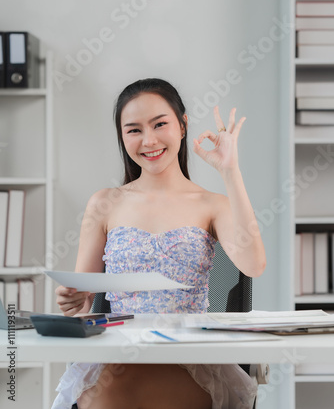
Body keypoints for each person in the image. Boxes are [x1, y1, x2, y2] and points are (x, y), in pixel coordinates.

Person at [52, 78, 266, 409]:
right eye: (133, 130)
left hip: (187, 357)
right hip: (118, 355)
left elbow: (254, 265)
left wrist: (230, 171)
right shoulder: (104, 203)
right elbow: (85, 305)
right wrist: (73, 302)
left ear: (182, 125)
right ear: (122, 138)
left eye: (159, 124)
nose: (148, 140)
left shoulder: (212, 204)